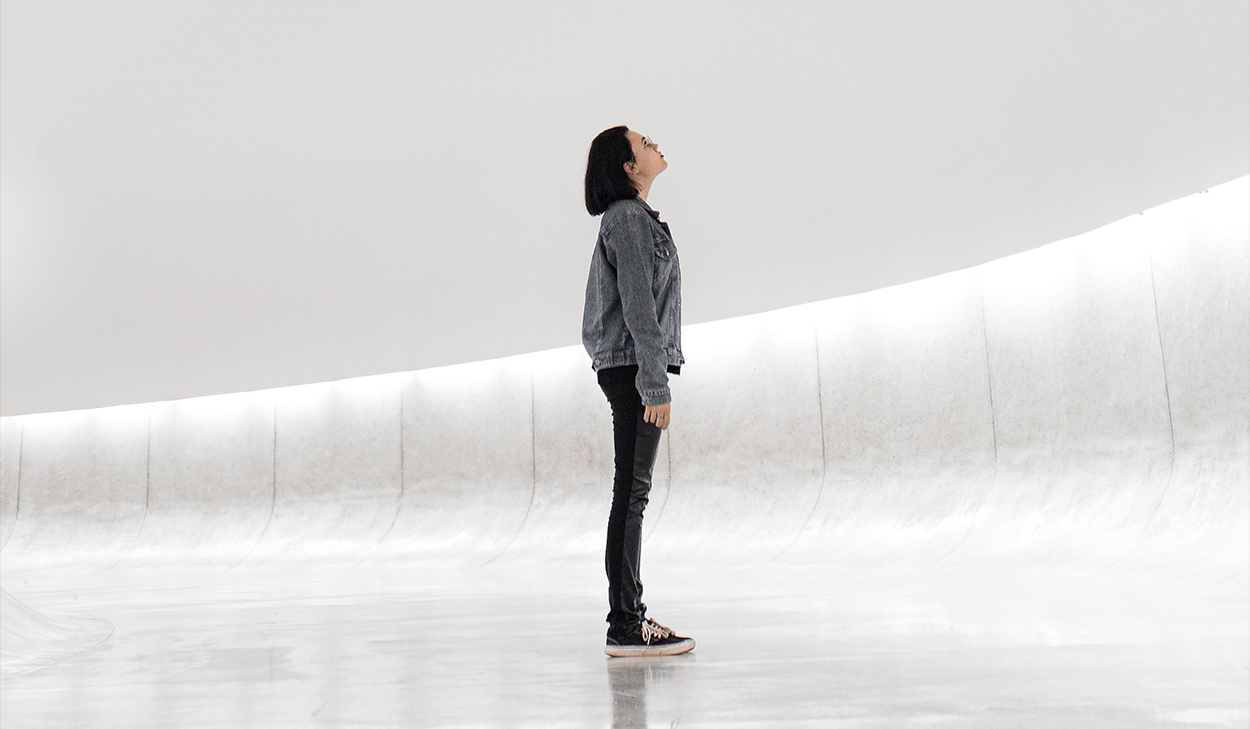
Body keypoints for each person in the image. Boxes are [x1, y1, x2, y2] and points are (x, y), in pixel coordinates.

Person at [581, 125, 695, 657]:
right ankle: (625, 625)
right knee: (631, 495)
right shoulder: (626, 218)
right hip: (632, 366)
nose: (656, 145)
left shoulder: (635, 218)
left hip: (630, 363)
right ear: (629, 167)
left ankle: (628, 618)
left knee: (631, 493)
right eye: (645, 143)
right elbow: (638, 305)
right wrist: (653, 382)